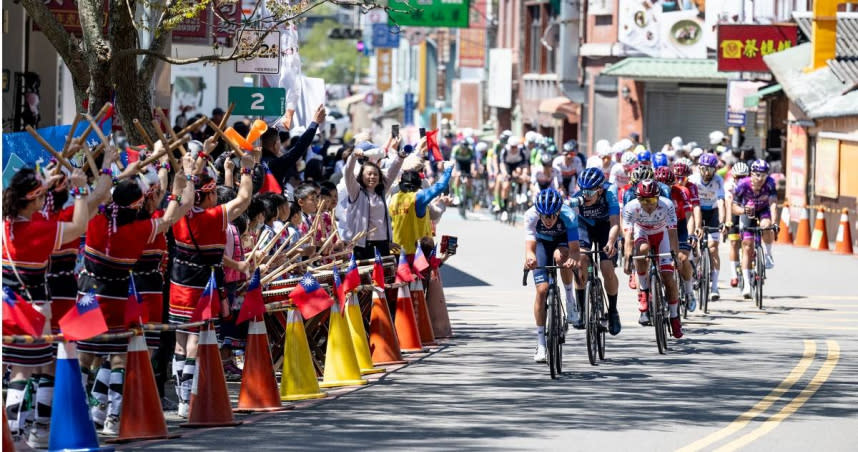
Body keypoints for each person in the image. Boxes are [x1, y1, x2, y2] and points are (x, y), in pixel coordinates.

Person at [77, 152, 195, 434]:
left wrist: (110, 167)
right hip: (117, 296)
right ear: (139, 204)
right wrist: (184, 180)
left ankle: (80, 413)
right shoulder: (142, 229)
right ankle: (110, 417)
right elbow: (173, 214)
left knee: (83, 355)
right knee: (118, 355)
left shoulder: (96, 217)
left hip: (86, 292)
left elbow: (102, 192)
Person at [2, 165, 92, 448]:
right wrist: (77, 189)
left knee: (9, 372)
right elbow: (80, 227)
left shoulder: (4, 225)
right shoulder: (39, 230)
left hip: (5, 306)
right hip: (33, 308)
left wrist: (46, 185)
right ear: (35, 199)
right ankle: (15, 436)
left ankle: (15, 433)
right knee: (22, 373)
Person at [169, 152, 254, 418]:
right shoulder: (214, 216)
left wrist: (191, 167)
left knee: (180, 341)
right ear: (206, 196)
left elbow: (178, 190)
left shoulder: (178, 215)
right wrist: (247, 171)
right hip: (201, 284)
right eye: (214, 193)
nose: (218, 197)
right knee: (195, 338)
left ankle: (183, 397)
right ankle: (188, 399)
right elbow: (244, 199)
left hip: (178, 280)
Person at [524, 188, 581, 363]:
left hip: (562, 241)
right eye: (544, 216)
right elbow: (530, 249)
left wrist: (572, 259)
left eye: (552, 216)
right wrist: (530, 258)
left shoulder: (568, 215)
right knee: (542, 290)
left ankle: (570, 300)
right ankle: (541, 342)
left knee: (561, 257)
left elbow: (575, 250)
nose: (548, 221)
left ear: (558, 211)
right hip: (541, 243)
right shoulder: (531, 215)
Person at [622, 180, 683, 338]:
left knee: (668, 277)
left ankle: (675, 316)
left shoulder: (667, 204)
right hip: (641, 233)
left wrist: (675, 256)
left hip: (662, 235)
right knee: (641, 250)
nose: (648, 204)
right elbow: (628, 237)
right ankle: (644, 292)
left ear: (658, 197)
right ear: (637, 198)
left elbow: (672, 233)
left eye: (651, 200)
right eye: (643, 200)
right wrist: (627, 258)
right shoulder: (631, 207)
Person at [567, 168, 621, 335]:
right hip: (585, 227)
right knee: (581, 259)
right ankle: (582, 310)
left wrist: (612, 242)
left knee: (606, 268)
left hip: (606, 228)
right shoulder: (578, 198)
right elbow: (570, 226)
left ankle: (612, 311)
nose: (586, 195)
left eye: (590, 191)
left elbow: (614, 222)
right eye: (583, 190)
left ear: (600, 189)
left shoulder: (610, 192)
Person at [343, 136, 405, 259]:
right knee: (366, 278)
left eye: (375, 174)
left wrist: (401, 156)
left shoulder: (381, 191)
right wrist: (353, 157)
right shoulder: (356, 191)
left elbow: (393, 171)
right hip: (362, 245)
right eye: (369, 174)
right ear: (362, 176)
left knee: (382, 277)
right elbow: (348, 172)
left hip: (382, 244)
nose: (372, 177)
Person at [732, 159, 779, 299]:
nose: (760, 179)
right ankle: (746, 284)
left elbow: (773, 205)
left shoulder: (770, 183)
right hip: (748, 211)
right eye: (757, 175)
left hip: (763, 209)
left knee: (766, 226)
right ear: (751, 174)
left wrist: (774, 222)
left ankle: (768, 255)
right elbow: (734, 207)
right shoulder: (742, 184)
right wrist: (743, 211)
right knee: (747, 247)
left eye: (764, 175)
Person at [389, 160, 454, 257]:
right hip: (416, 254)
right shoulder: (418, 196)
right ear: (418, 185)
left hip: (396, 251)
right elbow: (440, 186)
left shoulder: (393, 198)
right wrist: (448, 169)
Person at [654, 166, 696, 311]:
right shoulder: (651, 194)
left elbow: (689, 215)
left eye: (667, 185)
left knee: (682, 259)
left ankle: (689, 291)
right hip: (661, 227)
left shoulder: (681, 191)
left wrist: (691, 234)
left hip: (680, 226)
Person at [689, 153, 726, 301]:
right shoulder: (693, 180)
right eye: (704, 169)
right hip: (696, 210)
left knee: (713, 247)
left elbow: (722, 202)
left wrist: (723, 222)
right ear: (699, 169)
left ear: (715, 170)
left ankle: (714, 286)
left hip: (712, 211)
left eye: (710, 170)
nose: (706, 173)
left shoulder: (718, 180)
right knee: (694, 244)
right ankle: (691, 276)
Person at [724, 161, 750, 288]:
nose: (740, 179)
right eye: (738, 177)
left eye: (743, 177)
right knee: (734, 243)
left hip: (747, 210)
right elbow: (728, 204)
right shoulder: (729, 185)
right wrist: (728, 221)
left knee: (749, 241)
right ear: (733, 176)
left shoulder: (751, 183)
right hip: (734, 211)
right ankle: (734, 275)